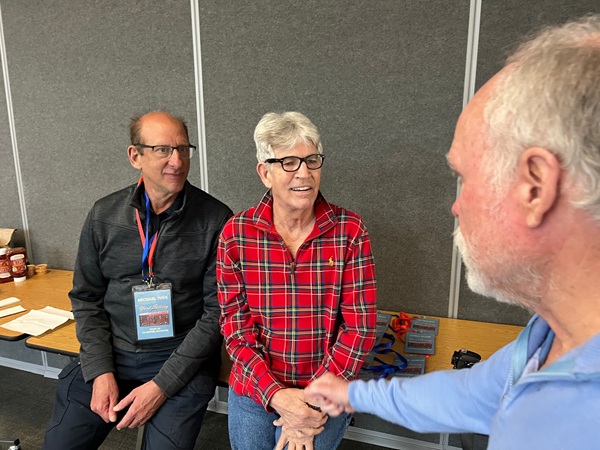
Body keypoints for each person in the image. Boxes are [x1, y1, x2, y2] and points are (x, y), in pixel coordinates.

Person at [306, 14, 600, 449]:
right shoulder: (545, 337)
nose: (455, 206)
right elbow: (469, 395)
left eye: (464, 177)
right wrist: (354, 394)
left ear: (536, 187)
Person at [43, 111, 233, 449]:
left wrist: (161, 386)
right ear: (135, 156)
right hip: (113, 352)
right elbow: (86, 297)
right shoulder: (104, 215)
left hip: (180, 357)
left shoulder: (216, 220)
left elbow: (216, 314)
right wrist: (100, 371)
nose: (177, 161)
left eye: (183, 149)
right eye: (163, 150)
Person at [217, 111, 378, 450]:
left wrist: (309, 403)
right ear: (265, 173)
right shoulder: (236, 234)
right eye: (289, 162)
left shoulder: (349, 231)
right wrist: (276, 395)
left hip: (325, 387)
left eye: (312, 160)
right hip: (255, 386)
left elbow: (359, 328)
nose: (304, 173)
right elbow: (236, 329)